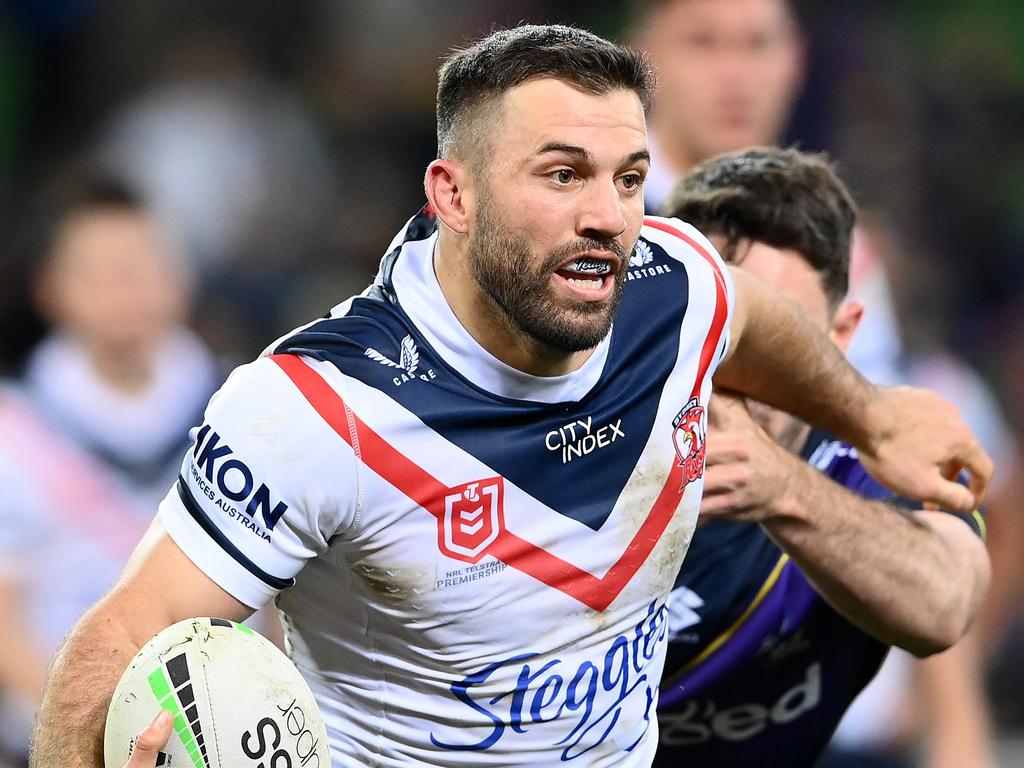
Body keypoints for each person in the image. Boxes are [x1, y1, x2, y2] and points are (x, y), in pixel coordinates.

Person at [29, 25, 989, 768]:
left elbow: (743, 313)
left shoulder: (671, 286)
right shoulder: (315, 406)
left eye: (629, 179)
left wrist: (870, 415)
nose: (608, 218)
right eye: (561, 175)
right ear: (452, 193)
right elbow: (120, 634)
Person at [632, 1, 1019, 764]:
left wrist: (955, 728)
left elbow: (900, 475)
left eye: (757, 45)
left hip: (824, 704)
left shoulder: (837, 247)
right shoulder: (586, 231)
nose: (734, 74)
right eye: (704, 44)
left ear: (796, 62)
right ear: (641, 60)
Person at [0, 176, 222, 764]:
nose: (125, 289)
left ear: (182, 277)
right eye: (98, 273)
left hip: (211, 736)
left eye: (142, 266)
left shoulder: (236, 405)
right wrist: (71, 736)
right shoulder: (13, 426)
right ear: (47, 289)